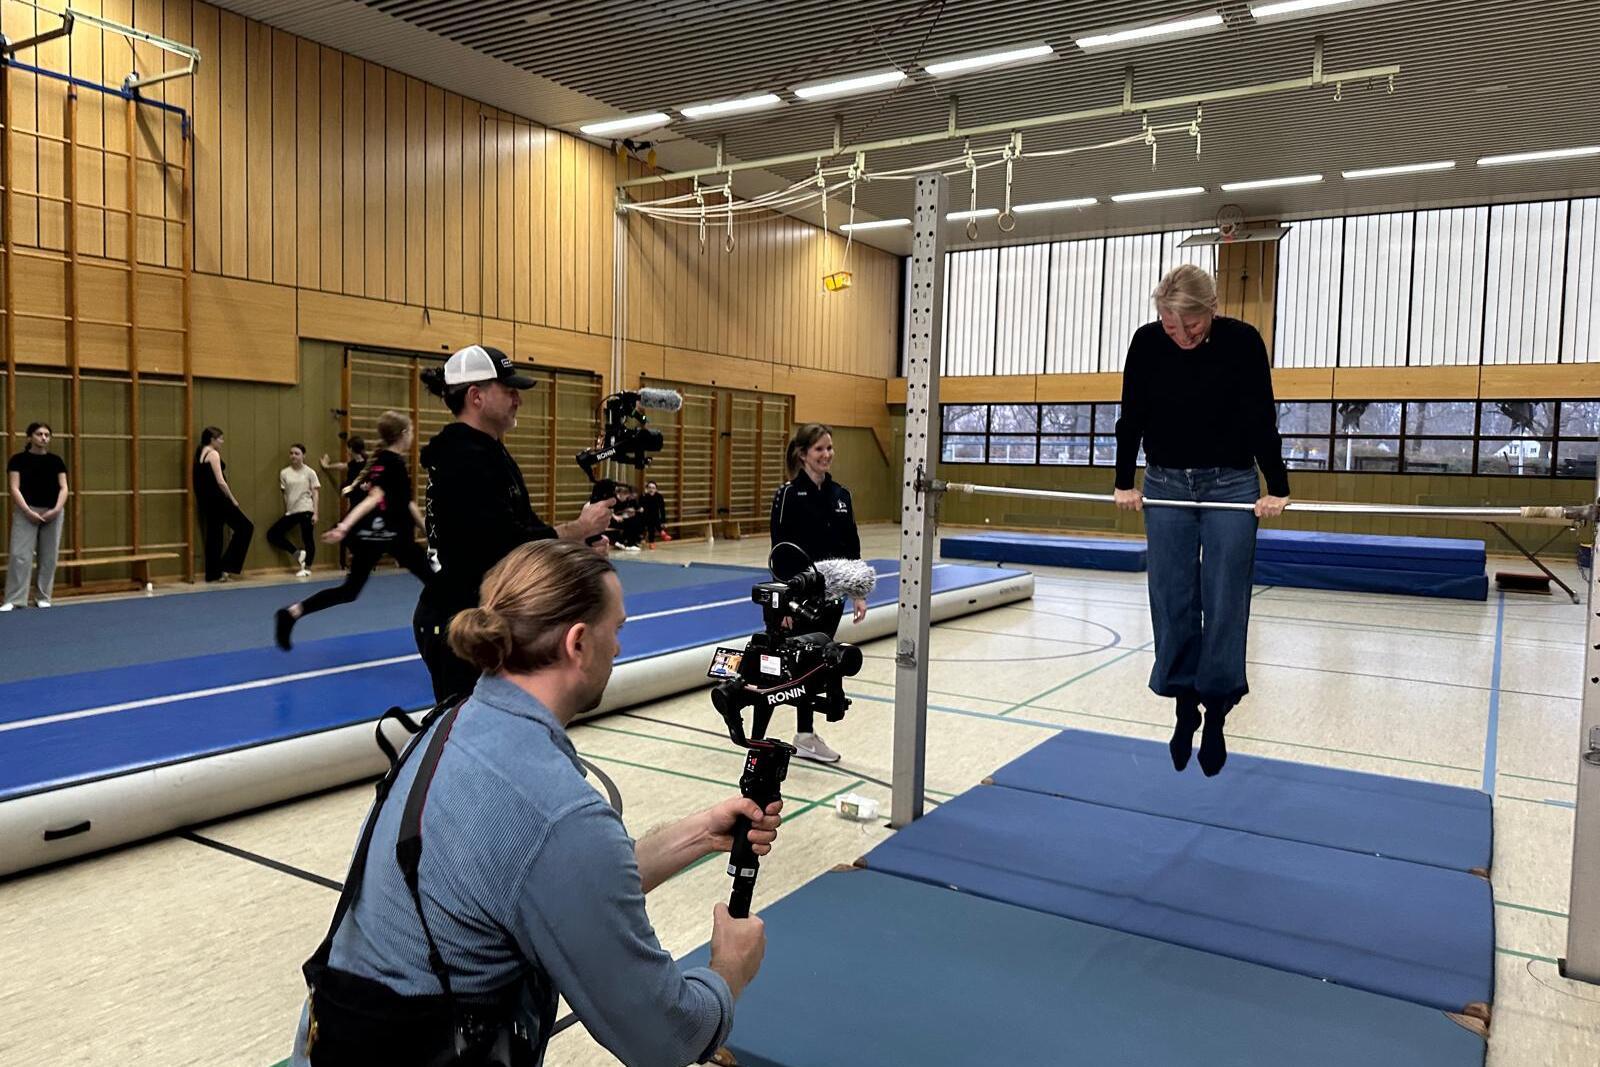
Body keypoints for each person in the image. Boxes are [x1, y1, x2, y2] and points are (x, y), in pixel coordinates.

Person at [292, 540, 777, 1066]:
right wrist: (728, 971)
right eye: (616, 629)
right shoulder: (555, 810)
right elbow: (665, 1038)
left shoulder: (449, 724)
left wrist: (700, 834)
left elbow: (542, 885)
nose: (618, 648)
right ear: (577, 643)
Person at [1112, 264, 1290, 777]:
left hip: (1230, 483)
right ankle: (1183, 701)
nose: (1181, 335)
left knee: (1224, 597)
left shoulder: (1242, 342)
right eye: (1171, 326)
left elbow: (1261, 417)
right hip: (1166, 482)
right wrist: (1126, 481)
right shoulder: (1146, 344)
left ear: (1211, 311)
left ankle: (1216, 710)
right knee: (1171, 597)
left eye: (1190, 325)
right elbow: (1132, 416)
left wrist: (1277, 486)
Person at [413, 344, 613, 702]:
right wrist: (580, 529)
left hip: (475, 615)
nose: (517, 399)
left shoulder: (487, 452)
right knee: (467, 731)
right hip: (460, 621)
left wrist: (576, 546)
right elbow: (505, 544)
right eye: (508, 390)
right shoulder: (465, 459)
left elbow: (521, 530)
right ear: (476, 396)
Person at [276, 413, 434, 651]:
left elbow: (401, 502)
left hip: (371, 536)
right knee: (437, 585)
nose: (412, 436)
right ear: (403, 435)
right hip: (393, 537)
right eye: (411, 431)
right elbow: (377, 499)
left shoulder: (380, 459)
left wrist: (347, 527)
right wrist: (344, 526)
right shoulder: (394, 464)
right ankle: (446, 637)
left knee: (349, 591)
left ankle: (292, 613)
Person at [769, 423, 866, 764]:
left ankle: (805, 733)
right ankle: (803, 733)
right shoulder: (787, 496)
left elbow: (850, 546)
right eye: (819, 450)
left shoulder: (841, 496)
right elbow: (780, 552)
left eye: (830, 449)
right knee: (802, 663)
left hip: (833, 596)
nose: (827, 455)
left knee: (821, 661)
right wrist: (784, 602)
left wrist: (858, 591)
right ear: (802, 454)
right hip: (800, 596)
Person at [4, 421, 69, 611]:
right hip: (27, 511)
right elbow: (14, 487)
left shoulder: (56, 461)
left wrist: (56, 509)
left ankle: (43, 596)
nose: (43, 438)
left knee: (48, 556)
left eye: (47, 435)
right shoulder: (17, 460)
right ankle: (15, 598)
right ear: (30, 437)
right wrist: (27, 511)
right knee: (19, 555)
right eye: (39, 434)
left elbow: (64, 487)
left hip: (52, 512)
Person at [194, 426, 254, 583]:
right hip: (219, 500)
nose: (222, 441)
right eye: (220, 438)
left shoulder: (200, 452)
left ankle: (214, 573)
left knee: (215, 536)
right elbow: (220, 481)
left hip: (207, 502)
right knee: (246, 527)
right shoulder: (213, 454)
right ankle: (227, 566)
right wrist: (232, 499)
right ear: (212, 440)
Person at [268, 444, 321, 577]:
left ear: (303, 456)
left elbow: (315, 493)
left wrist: (315, 512)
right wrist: (288, 509)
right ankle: (297, 554)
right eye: (291, 453)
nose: (293, 456)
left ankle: (307, 568)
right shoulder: (284, 473)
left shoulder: (310, 472)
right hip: (292, 510)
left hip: (306, 509)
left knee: (307, 538)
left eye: (297, 453)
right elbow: (285, 493)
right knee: (273, 534)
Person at [321, 437, 369, 570]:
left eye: (348, 447)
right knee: (346, 532)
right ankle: (361, 558)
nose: (347, 450)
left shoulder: (367, 465)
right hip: (354, 504)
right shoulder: (353, 464)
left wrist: (368, 485)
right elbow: (342, 466)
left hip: (364, 506)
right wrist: (327, 466)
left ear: (351, 449)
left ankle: (363, 558)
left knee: (344, 531)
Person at [641, 479, 671, 545]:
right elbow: (642, 509)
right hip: (644, 518)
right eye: (649, 488)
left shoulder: (659, 497)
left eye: (653, 488)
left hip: (655, 518)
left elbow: (662, 510)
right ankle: (662, 532)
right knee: (650, 521)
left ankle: (652, 542)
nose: (651, 489)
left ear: (656, 489)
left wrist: (664, 521)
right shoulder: (644, 496)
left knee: (652, 522)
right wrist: (646, 495)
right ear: (647, 489)